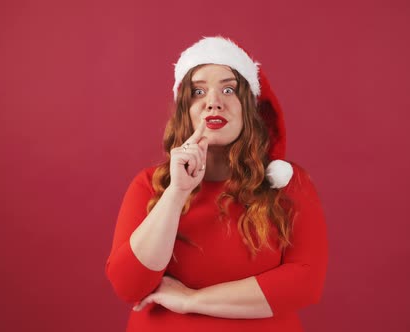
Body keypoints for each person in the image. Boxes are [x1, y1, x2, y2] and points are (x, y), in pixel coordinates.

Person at [105, 36, 328, 332]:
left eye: (228, 89)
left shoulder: (288, 183)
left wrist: (191, 300)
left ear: (249, 106)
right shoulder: (149, 185)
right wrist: (176, 193)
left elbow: (304, 283)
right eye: (198, 91)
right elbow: (129, 286)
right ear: (185, 108)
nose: (213, 102)